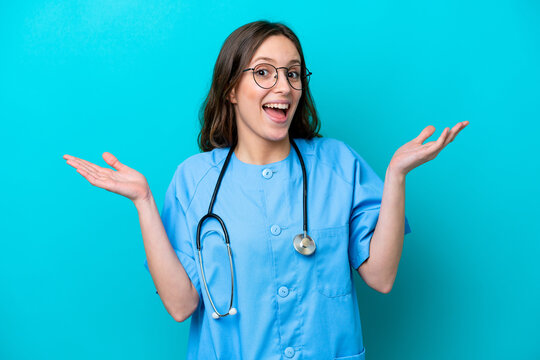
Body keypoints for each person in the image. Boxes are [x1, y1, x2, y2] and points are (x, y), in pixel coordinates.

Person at [63, 20, 468, 360]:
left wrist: (396, 175)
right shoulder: (193, 179)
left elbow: (381, 277)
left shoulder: (338, 164)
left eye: (293, 73)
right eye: (263, 71)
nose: (284, 85)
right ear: (231, 90)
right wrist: (144, 201)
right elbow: (182, 305)